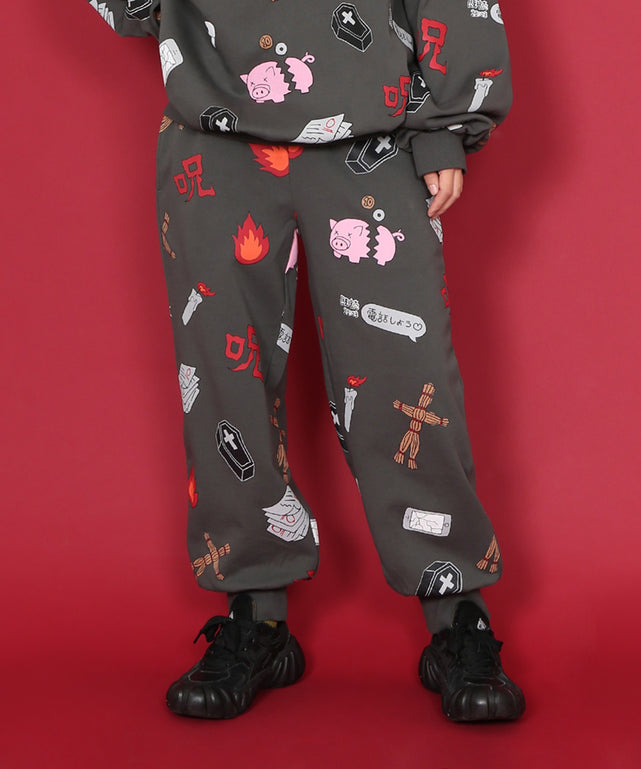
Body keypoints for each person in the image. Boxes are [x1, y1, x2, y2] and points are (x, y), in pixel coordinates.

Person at [86, 0, 525, 722]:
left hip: (372, 136)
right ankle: (255, 611)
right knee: (223, 381)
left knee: (404, 377)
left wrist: (446, 124)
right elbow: (135, 11)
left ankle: (457, 614)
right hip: (214, 137)